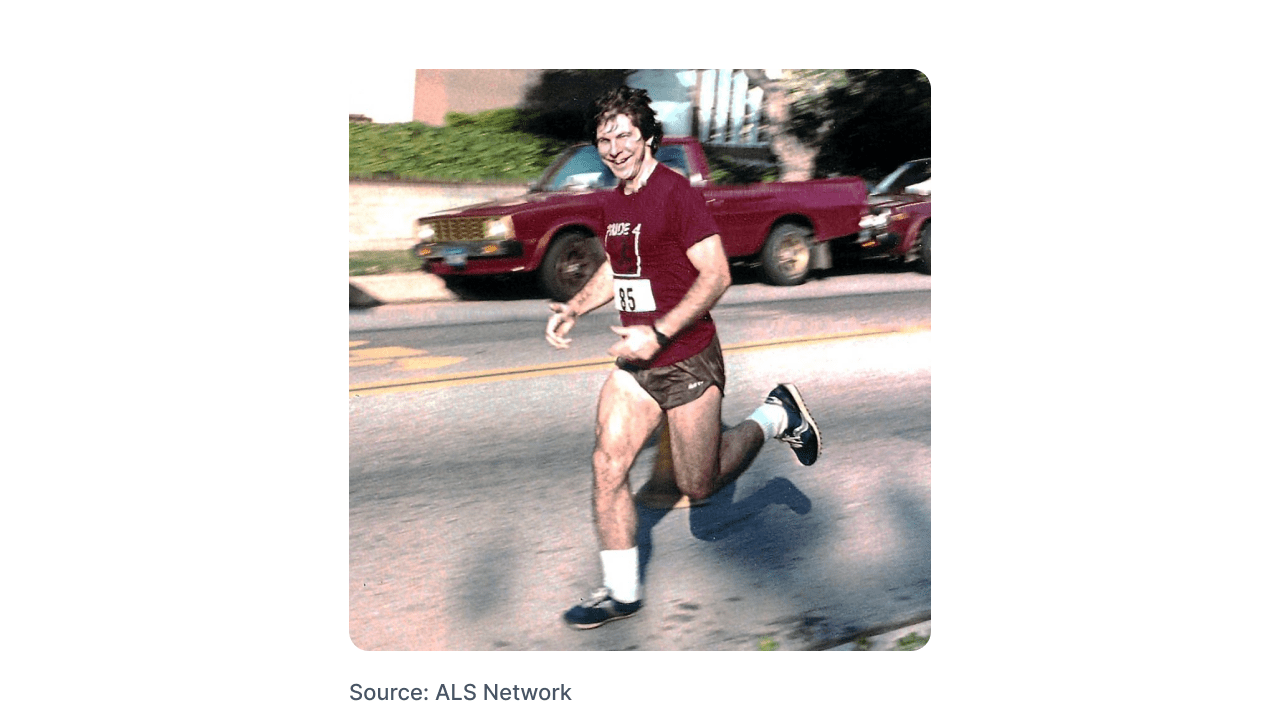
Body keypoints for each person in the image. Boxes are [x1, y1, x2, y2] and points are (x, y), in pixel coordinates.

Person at [544, 86, 822, 630]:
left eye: (624, 134)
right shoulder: (612, 200)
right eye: (604, 138)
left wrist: (661, 333)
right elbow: (616, 268)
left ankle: (776, 414)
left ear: (648, 138)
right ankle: (620, 593)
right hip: (637, 365)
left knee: (700, 485)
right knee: (607, 465)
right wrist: (574, 307)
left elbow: (716, 274)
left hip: (689, 358)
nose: (614, 147)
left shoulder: (676, 194)